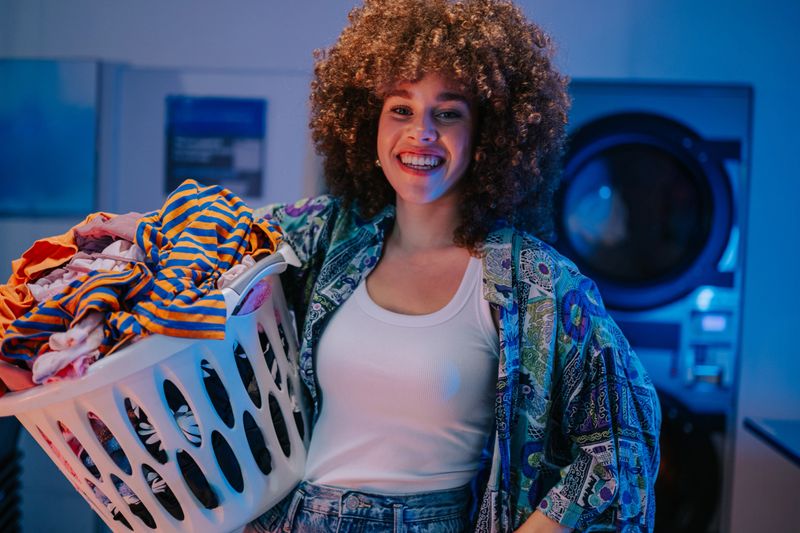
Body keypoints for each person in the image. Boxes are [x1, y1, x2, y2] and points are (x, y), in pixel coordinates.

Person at [249, 0, 660, 531]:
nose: (421, 131)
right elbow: (213, 235)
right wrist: (134, 233)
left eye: (447, 113)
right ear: (366, 125)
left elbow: (620, 446)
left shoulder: (534, 284)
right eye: (401, 108)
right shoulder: (328, 237)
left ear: (487, 136)